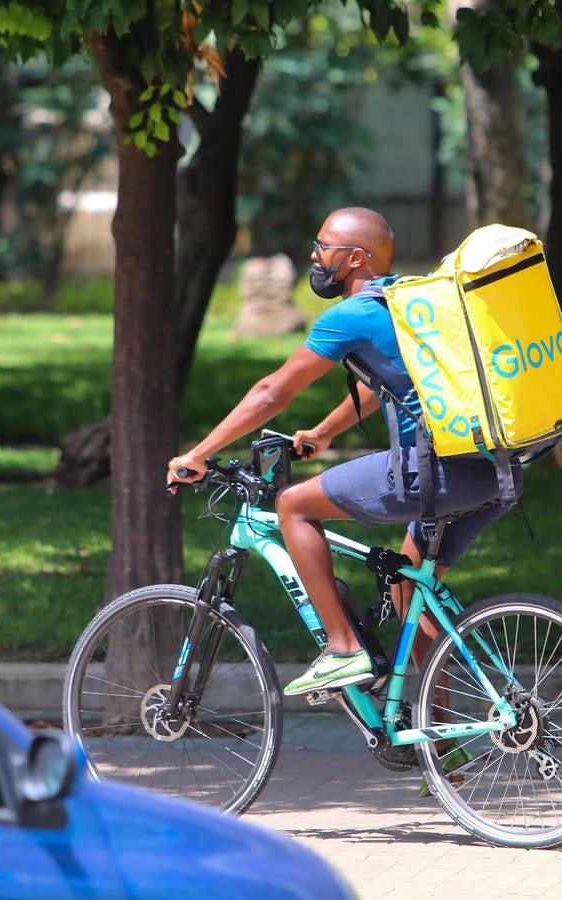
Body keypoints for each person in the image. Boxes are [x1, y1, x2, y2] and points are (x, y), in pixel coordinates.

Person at [167, 207, 522, 696]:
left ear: (356, 258)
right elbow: (391, 383)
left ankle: (343, 650)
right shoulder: (411, 303)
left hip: (433, 474)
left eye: (323, 246)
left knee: (292, 505)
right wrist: (325, 430)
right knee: (407, 590)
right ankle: (448, 737)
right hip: (493, 472)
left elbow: (272, 392)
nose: (315, 256)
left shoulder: (352, 314)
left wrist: (199, 453)